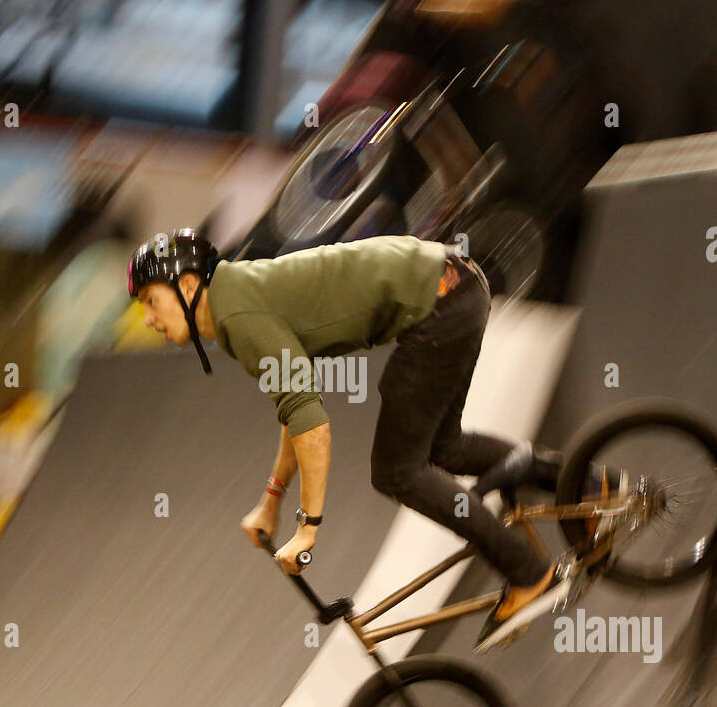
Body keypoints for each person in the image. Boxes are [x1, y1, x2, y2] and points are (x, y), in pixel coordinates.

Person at [127, 228, 604, 650]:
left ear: (188, 286)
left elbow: (313, 426)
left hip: (440, 305)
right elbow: (294, 415)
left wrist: (308, 527)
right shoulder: (238, 301)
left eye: (151, 300)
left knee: (398, 471)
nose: (148, 318)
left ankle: (530, 574)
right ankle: (592, 485)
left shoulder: (238, 314)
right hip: (455, 287)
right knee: (442, 448)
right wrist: (273, 498)